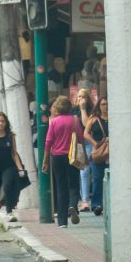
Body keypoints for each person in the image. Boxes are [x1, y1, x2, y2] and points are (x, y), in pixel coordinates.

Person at [41, 96, 84, 229]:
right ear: (69, 107)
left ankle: (62, 221)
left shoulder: (53, 122)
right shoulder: (75, 120)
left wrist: (45, 160)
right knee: (74, 184)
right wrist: (85, 157)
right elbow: (81, 139)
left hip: (57, 157)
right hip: (72, 156)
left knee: (61, 187)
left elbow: (48, 141)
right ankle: (72, 205)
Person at [0, 111, 26, 229]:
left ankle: (9, 211)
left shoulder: (10, 135)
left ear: (6, 123)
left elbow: (14, 153)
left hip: (9, 166)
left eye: (3, 121)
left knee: (8, 186)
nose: (1, 124)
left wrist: (20, 168)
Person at [85, 97, 109, 216]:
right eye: (103, 104)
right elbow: (86, 133)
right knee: (97, 178)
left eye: (107, 104)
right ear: (99, 106)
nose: (105, 106)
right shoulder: (94, 119)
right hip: (99, 152)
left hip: (112, 152)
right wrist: (95, 144)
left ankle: (109, 203)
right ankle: (96, 205)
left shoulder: (114, 117)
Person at [75, 87, 94, 213]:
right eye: (79, 97)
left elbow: (87, 125)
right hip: (77, 143)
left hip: (87, 142)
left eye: (84, 97)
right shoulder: (73, 111)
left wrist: (83, 110)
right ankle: (82, 198)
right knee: (80, 172)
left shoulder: (91, 111)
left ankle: (86, 200)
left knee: (85, 171)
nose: (81, 99)